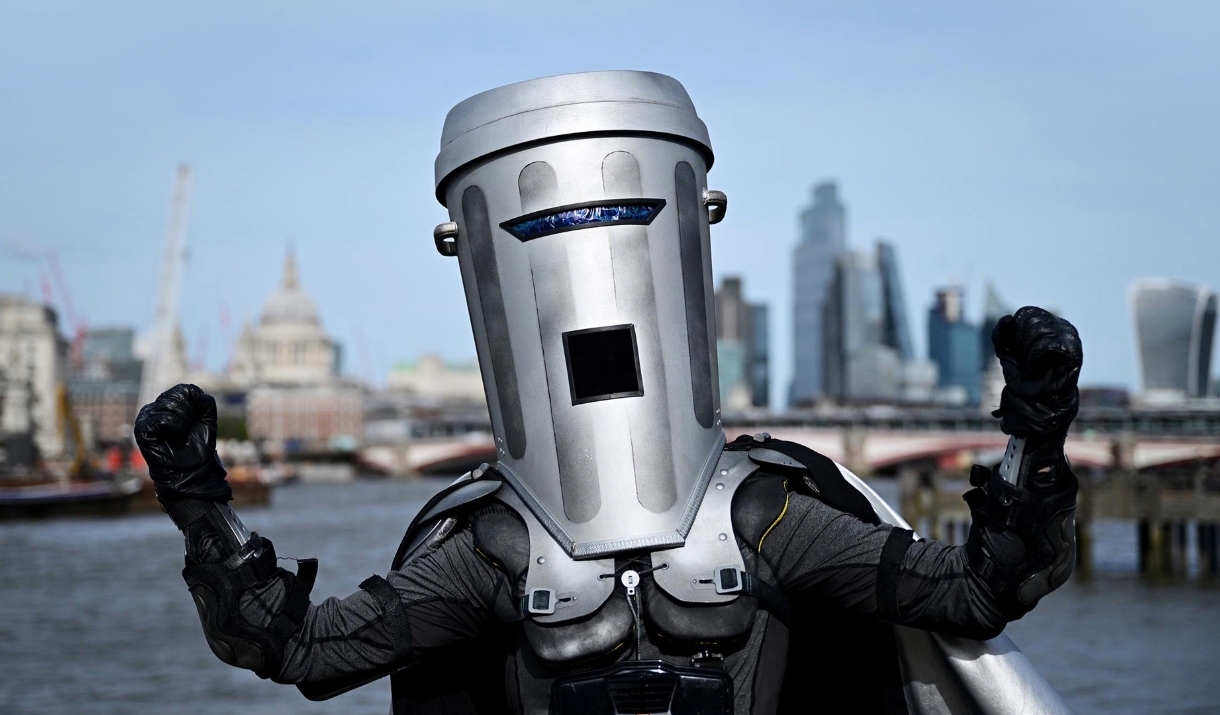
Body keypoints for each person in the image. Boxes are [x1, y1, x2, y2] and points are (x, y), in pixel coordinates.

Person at [134, 71, 1083, 715]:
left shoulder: (766, 514)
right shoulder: (496, 548)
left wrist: (1035, 434)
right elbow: (299, 648)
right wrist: (198, 504)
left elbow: (977, 591)